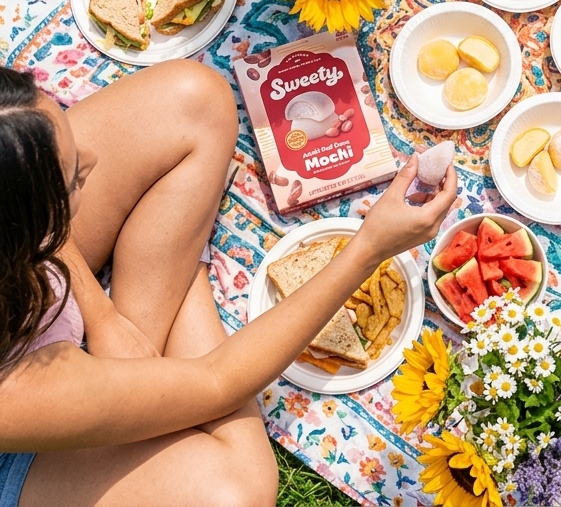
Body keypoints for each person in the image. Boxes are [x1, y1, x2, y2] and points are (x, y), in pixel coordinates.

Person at [0, 60, 456, 506]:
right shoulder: (16, 395)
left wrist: (103, 320)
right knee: (240, 491)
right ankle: (176, 292)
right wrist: (369, 248)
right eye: (72, 177)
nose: (92, 160)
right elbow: (218, 382)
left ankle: (139, 372)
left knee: (194, 99)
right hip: (21, 430)